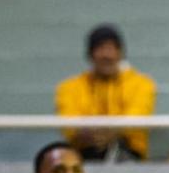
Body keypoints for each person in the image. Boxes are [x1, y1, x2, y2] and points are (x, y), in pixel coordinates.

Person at [55, 24, 158, 161]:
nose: (106, 55)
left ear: (120, 53)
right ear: (90, 54)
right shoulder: (69, 87)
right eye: (100, 49)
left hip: (130, 156)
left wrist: (113, 132)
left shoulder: (142, 84)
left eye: (111, 48)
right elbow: (69, 124)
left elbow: (137, 115)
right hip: (83, 156)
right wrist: (94, 135)